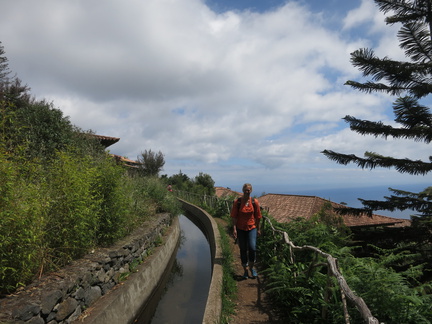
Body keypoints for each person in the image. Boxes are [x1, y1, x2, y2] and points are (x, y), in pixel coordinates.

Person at [231, 183, 262, 279]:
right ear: (243, 190)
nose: (247, 191)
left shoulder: (254, 202)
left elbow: (258, 216)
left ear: (251, 191)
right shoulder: (238, 202)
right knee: (243, 249)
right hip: (240, 228)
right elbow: (234, 216)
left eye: (248, 190)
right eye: (245, 190)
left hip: (252, 227)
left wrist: (258, 228)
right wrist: (234, 229)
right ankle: (245, 270)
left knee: (252, 248)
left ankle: (252, 268)